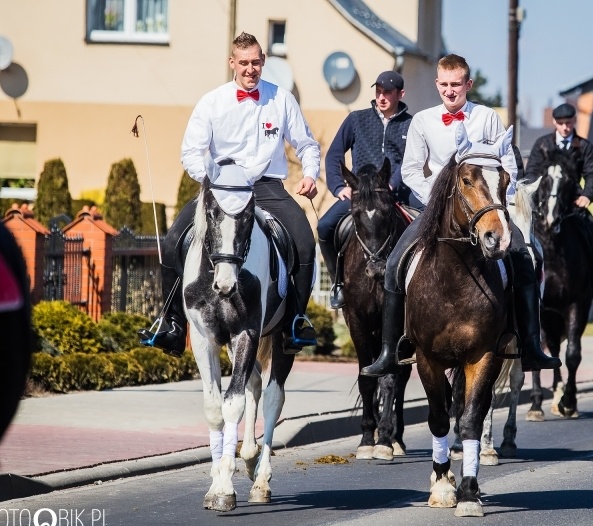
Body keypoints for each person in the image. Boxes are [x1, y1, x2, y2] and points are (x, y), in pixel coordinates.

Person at [361, 53, 561, 377]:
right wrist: (436, 199)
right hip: (435, 211)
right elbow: (411, 169)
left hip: (485, 207)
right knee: (395, 262)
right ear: (436, 84)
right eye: (444, 85)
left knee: (523, 257)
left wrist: (500, 201)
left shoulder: (488, 118)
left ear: (468, 84)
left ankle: (532, 346)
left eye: (457, 85)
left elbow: (508, 165)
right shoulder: (422, 121)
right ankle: (390, 350)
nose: (450, 91)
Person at [138, 32, 320, 356]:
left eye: (256, 63)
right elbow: (190, 152)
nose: (250, 69)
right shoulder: (212, 102)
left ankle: (295, 321)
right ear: (232, 63)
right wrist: (209, 179)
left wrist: (309, 174)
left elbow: (307, 144)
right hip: (220, 187)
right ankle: (172, 324)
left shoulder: (281, 99)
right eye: (244, 63)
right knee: (171, 241)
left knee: (305, 242)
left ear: (263, 61)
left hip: (267, 188)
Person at [318, 70, 415, 309]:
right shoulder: (356, 119)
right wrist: (339, 186)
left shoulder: (412, 124)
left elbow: (411, 159)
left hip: (397, 191)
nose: (381, 97)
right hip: (359, 194)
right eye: (378, 92)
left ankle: (420, 286)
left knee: (428, 222)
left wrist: (393, 182)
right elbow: (334, 155)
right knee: (324, 226)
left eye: (388, 93)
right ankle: (338, 283)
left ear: (400, 94)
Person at [524, 103, 593, 302]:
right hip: (543, 202)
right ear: (555, 122)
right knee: (522, 231)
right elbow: (531, 172)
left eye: (569, 123)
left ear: (574, 122)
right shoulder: (542, 144)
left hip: (572, 203)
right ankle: (521, 280)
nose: (565, 127)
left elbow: (591, 174)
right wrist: (532, 195)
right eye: (561, 123)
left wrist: (587, 195)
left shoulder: (584, 147)